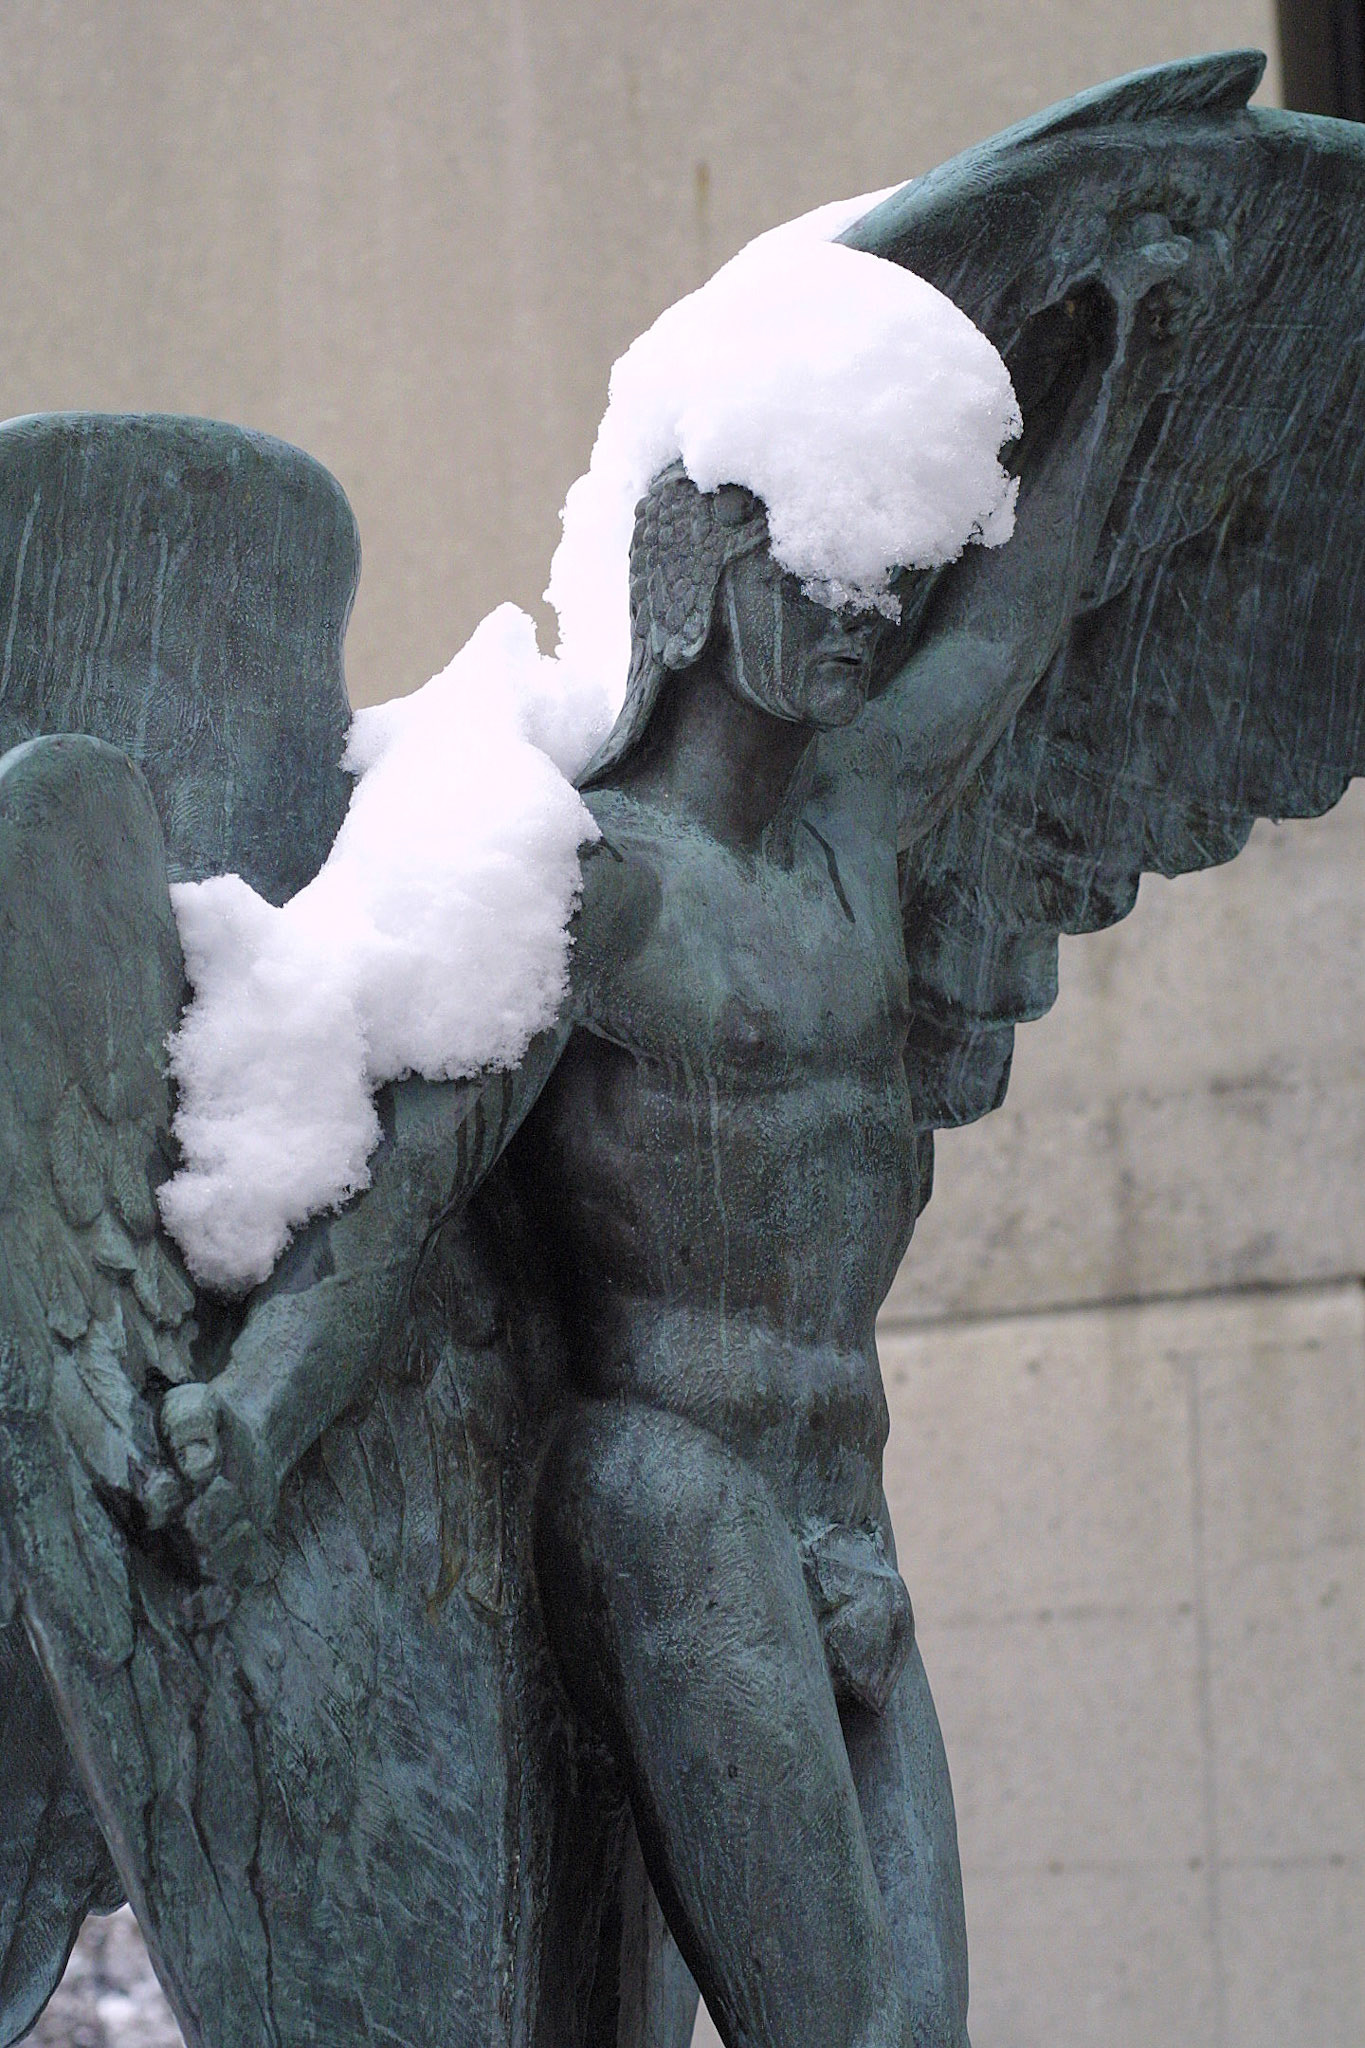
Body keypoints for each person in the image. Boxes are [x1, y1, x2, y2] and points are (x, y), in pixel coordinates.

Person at [162, 233, 1184, 2048]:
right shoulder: (594, 884)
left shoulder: (858, 844)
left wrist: (1125, 352)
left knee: (915, 2030)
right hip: (657, 1489)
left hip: (838, 1511)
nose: (863, 617)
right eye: (822, 575)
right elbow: (404, 1185)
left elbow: (1016, 624)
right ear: (707, 570)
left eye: (885, 582)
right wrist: (255, 1415)